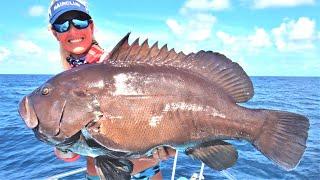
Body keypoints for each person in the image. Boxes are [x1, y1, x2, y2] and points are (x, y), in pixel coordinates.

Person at [48, 0, 175, 179]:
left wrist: (173, 144)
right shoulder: (62, 84)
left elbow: (161, 108)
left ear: (91, 27)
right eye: (62, 25)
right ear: (55, 34)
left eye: (80, 21)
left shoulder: (119, 65)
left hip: (144, 172)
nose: (73, 30)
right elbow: (71, 156)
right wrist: (59, 140)